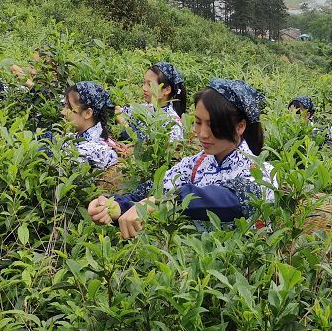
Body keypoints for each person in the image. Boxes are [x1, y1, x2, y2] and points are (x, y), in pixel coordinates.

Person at [87, 78, 275, 239]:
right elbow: (152, 190)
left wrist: (163, 202)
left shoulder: (261, 172)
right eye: (198, 122)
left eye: (213, 125)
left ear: (240, 126)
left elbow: (234, 200)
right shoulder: (195, 164)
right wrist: (116, 205)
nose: (202, 134)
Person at [0, 81, 119, 171]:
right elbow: (45, 140)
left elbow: (50, 162)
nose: (62, 112)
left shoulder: (96, 149)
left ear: (87, 113)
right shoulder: (77, 136)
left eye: (68, 107)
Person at [118, 61, 187, 143]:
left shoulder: (173, 124)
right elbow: (118, 111)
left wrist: (126, 127)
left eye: (150, 85)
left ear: (167, 90)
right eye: (144, 83)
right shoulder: (144, 108)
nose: (144, 88)